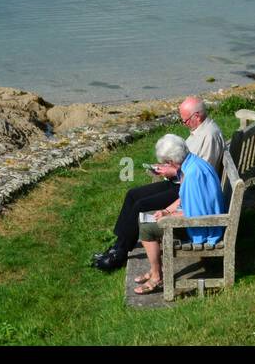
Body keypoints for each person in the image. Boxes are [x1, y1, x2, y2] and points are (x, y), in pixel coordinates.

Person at [91, 95, 224, 272]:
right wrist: (170, 168)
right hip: (179, 181)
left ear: (197, 116)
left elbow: (199, 176)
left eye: (185, 120)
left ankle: (120, 253)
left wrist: (173, 171)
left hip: (184, 187)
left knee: (140, 205)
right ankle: (118, 244)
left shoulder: (209, 136)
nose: (184, 124)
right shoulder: (200, 131)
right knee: (132, 194)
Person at [132, 133, 228, 295]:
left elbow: (194, 216)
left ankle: (156, 276)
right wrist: (167, 210)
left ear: (170, 161)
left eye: (164, 162)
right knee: (146, 217)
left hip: (203, 229)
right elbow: (184, 199)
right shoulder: (192, 163)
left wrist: (168, 218)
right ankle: (154, 268)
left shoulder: (192, 176)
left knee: (147, 229)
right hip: (206, 220)